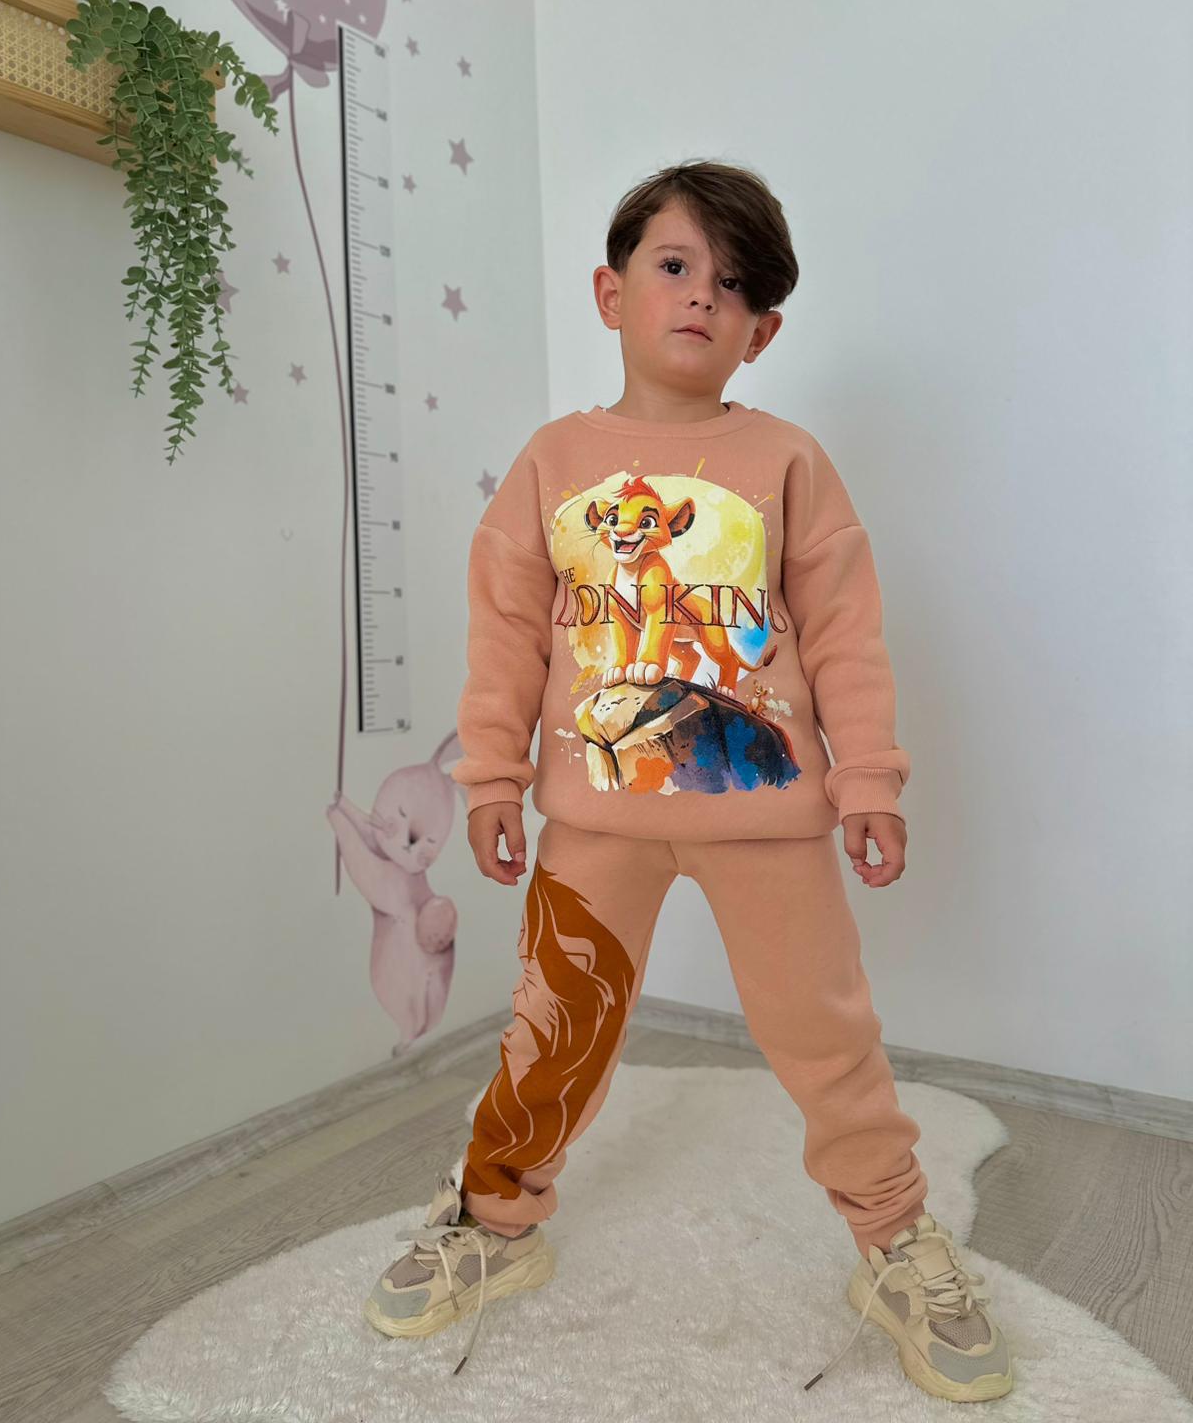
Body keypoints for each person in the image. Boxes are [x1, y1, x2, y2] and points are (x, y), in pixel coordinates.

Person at [362, 159, 1013, 1400]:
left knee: (826, 1033)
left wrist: (869, 780)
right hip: (593, 820)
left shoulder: (787, 462)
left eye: (734, 284)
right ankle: (494, 1218)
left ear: (761, 330)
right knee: (553, 1026)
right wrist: (491, 776)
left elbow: (844, 633)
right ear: (611, 293)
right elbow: (507, 632)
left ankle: (894, 1240)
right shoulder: (554, 461)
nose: (702, 296)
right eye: (675, 266)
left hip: (765, 814)